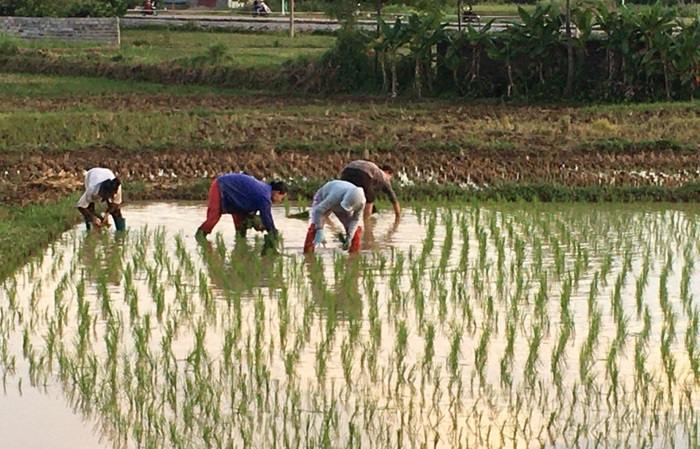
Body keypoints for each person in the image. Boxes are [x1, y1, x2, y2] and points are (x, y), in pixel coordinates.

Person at [195, 173, 288, 242]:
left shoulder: (264, 190)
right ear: (276, 192)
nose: (280, 200)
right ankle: (199, 237)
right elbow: (266, 217)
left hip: (237, 196)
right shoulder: (264, 196)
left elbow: (254, 212)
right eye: (281, 197)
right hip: (221, 186)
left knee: (241, 222)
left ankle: (240, 243)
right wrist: (273, 232)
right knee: (214, 216)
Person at [303, 180, 365, 254]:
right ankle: (308, 254)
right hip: (324, 197)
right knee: (314, 227)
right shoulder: (335, 196)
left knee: (353, 230)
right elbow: (319, 211)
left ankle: (353, 255)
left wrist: (349, 237)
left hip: (344, 204)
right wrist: (319, 229)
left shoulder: (361, 203)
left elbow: (355, 220)